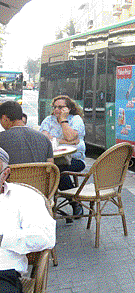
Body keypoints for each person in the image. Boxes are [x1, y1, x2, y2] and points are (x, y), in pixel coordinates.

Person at [0, 148, 56, 293]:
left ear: (5, 174)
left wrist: (3, 239)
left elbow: (45, 237)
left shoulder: (24, 197)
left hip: (3, 273)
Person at [39, 96, 86, 215]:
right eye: (55, 107)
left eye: (60, 107)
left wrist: (63, 121)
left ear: (69, 108)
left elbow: (71, 137)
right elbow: (45, 139)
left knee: (56, 170)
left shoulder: (76, 119)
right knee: (50, 168)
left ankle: (75, 203)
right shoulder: (48, 120)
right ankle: (47, 202)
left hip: (75, 159)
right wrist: (65, 141)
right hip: (52, 158)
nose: (56, 110)